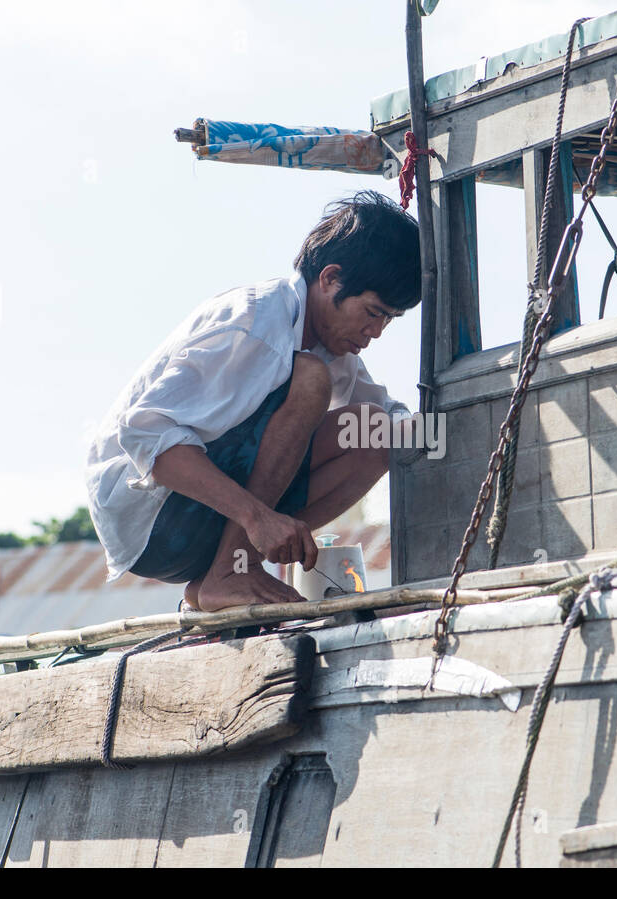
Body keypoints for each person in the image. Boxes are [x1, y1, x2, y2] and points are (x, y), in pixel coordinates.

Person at [86, 190, 421, 611]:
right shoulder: (257, 323)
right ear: (330, 279)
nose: (377, 332)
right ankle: (230, 572)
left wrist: (452, 431)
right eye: (373, 313)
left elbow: (394, 420)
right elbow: (144, 434)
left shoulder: (329, 347)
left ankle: (218, 577)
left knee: (376, 436)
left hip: (198, 526)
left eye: (389, 319)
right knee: (311, 380)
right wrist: (256, 517)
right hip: (148, 518)